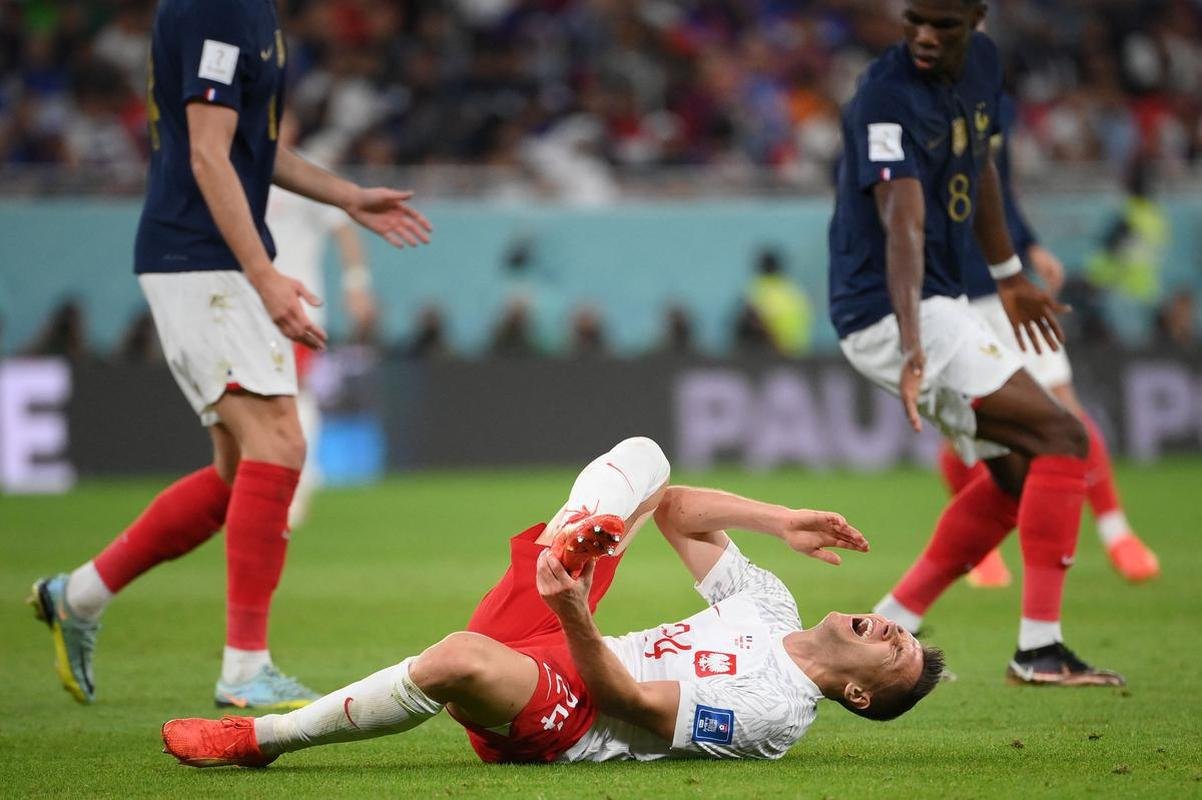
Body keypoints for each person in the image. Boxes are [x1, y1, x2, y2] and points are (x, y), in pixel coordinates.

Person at [27, 0, 432, 710]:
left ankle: (78, 595)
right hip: (202, 260)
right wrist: (263, 273)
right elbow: (207, 152)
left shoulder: (252, 14)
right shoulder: (218, 8)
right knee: (280, 441)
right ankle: (245, 669)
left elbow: (251, 146)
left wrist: (347, 197)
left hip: (209, 261)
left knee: (238, 470)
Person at [161, 437, 944, 768]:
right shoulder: (771, 605)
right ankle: (573, 541)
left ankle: (258, 739)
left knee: (457, 659)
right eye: (900, 632)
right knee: (647, 460)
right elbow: (673, 509)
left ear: (857, 691)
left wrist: (573, 609)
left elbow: (629, 701)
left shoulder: (772, 713)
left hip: (573, 714)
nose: (889, 628)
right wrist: (780, 519)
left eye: (895, 650)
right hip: (563, 636)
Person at [827, 0, 1122, 685]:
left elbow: (979, 164)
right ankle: (1039, 650)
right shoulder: (883, 98)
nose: (926, 36)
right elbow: (902, 220)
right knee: (1062, 435)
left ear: (976, 21)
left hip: (943, 301)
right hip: (892, 310)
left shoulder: (982, 66)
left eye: (945, 24)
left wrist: (1009, 273)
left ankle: (883, 629)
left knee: (1020, 476)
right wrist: (911, 344)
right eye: (915, 20)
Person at [941, 93, 1158, 589]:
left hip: (1011, 287)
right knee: (966, 425)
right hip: (951, 298)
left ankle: (1118, 533)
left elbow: (999, 190)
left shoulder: (991, 102)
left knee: (1066, 408)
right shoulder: (914, 102)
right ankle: (983, 550)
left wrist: (1029, 243)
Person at [266, 111, 380, 528]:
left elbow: (343, 227)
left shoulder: (306, 173)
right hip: (246, 307)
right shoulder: (237, 169)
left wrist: (356, 283)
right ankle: (261, 485)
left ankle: (300, 485)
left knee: (295, 393)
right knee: (252, 400)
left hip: (299, 307)